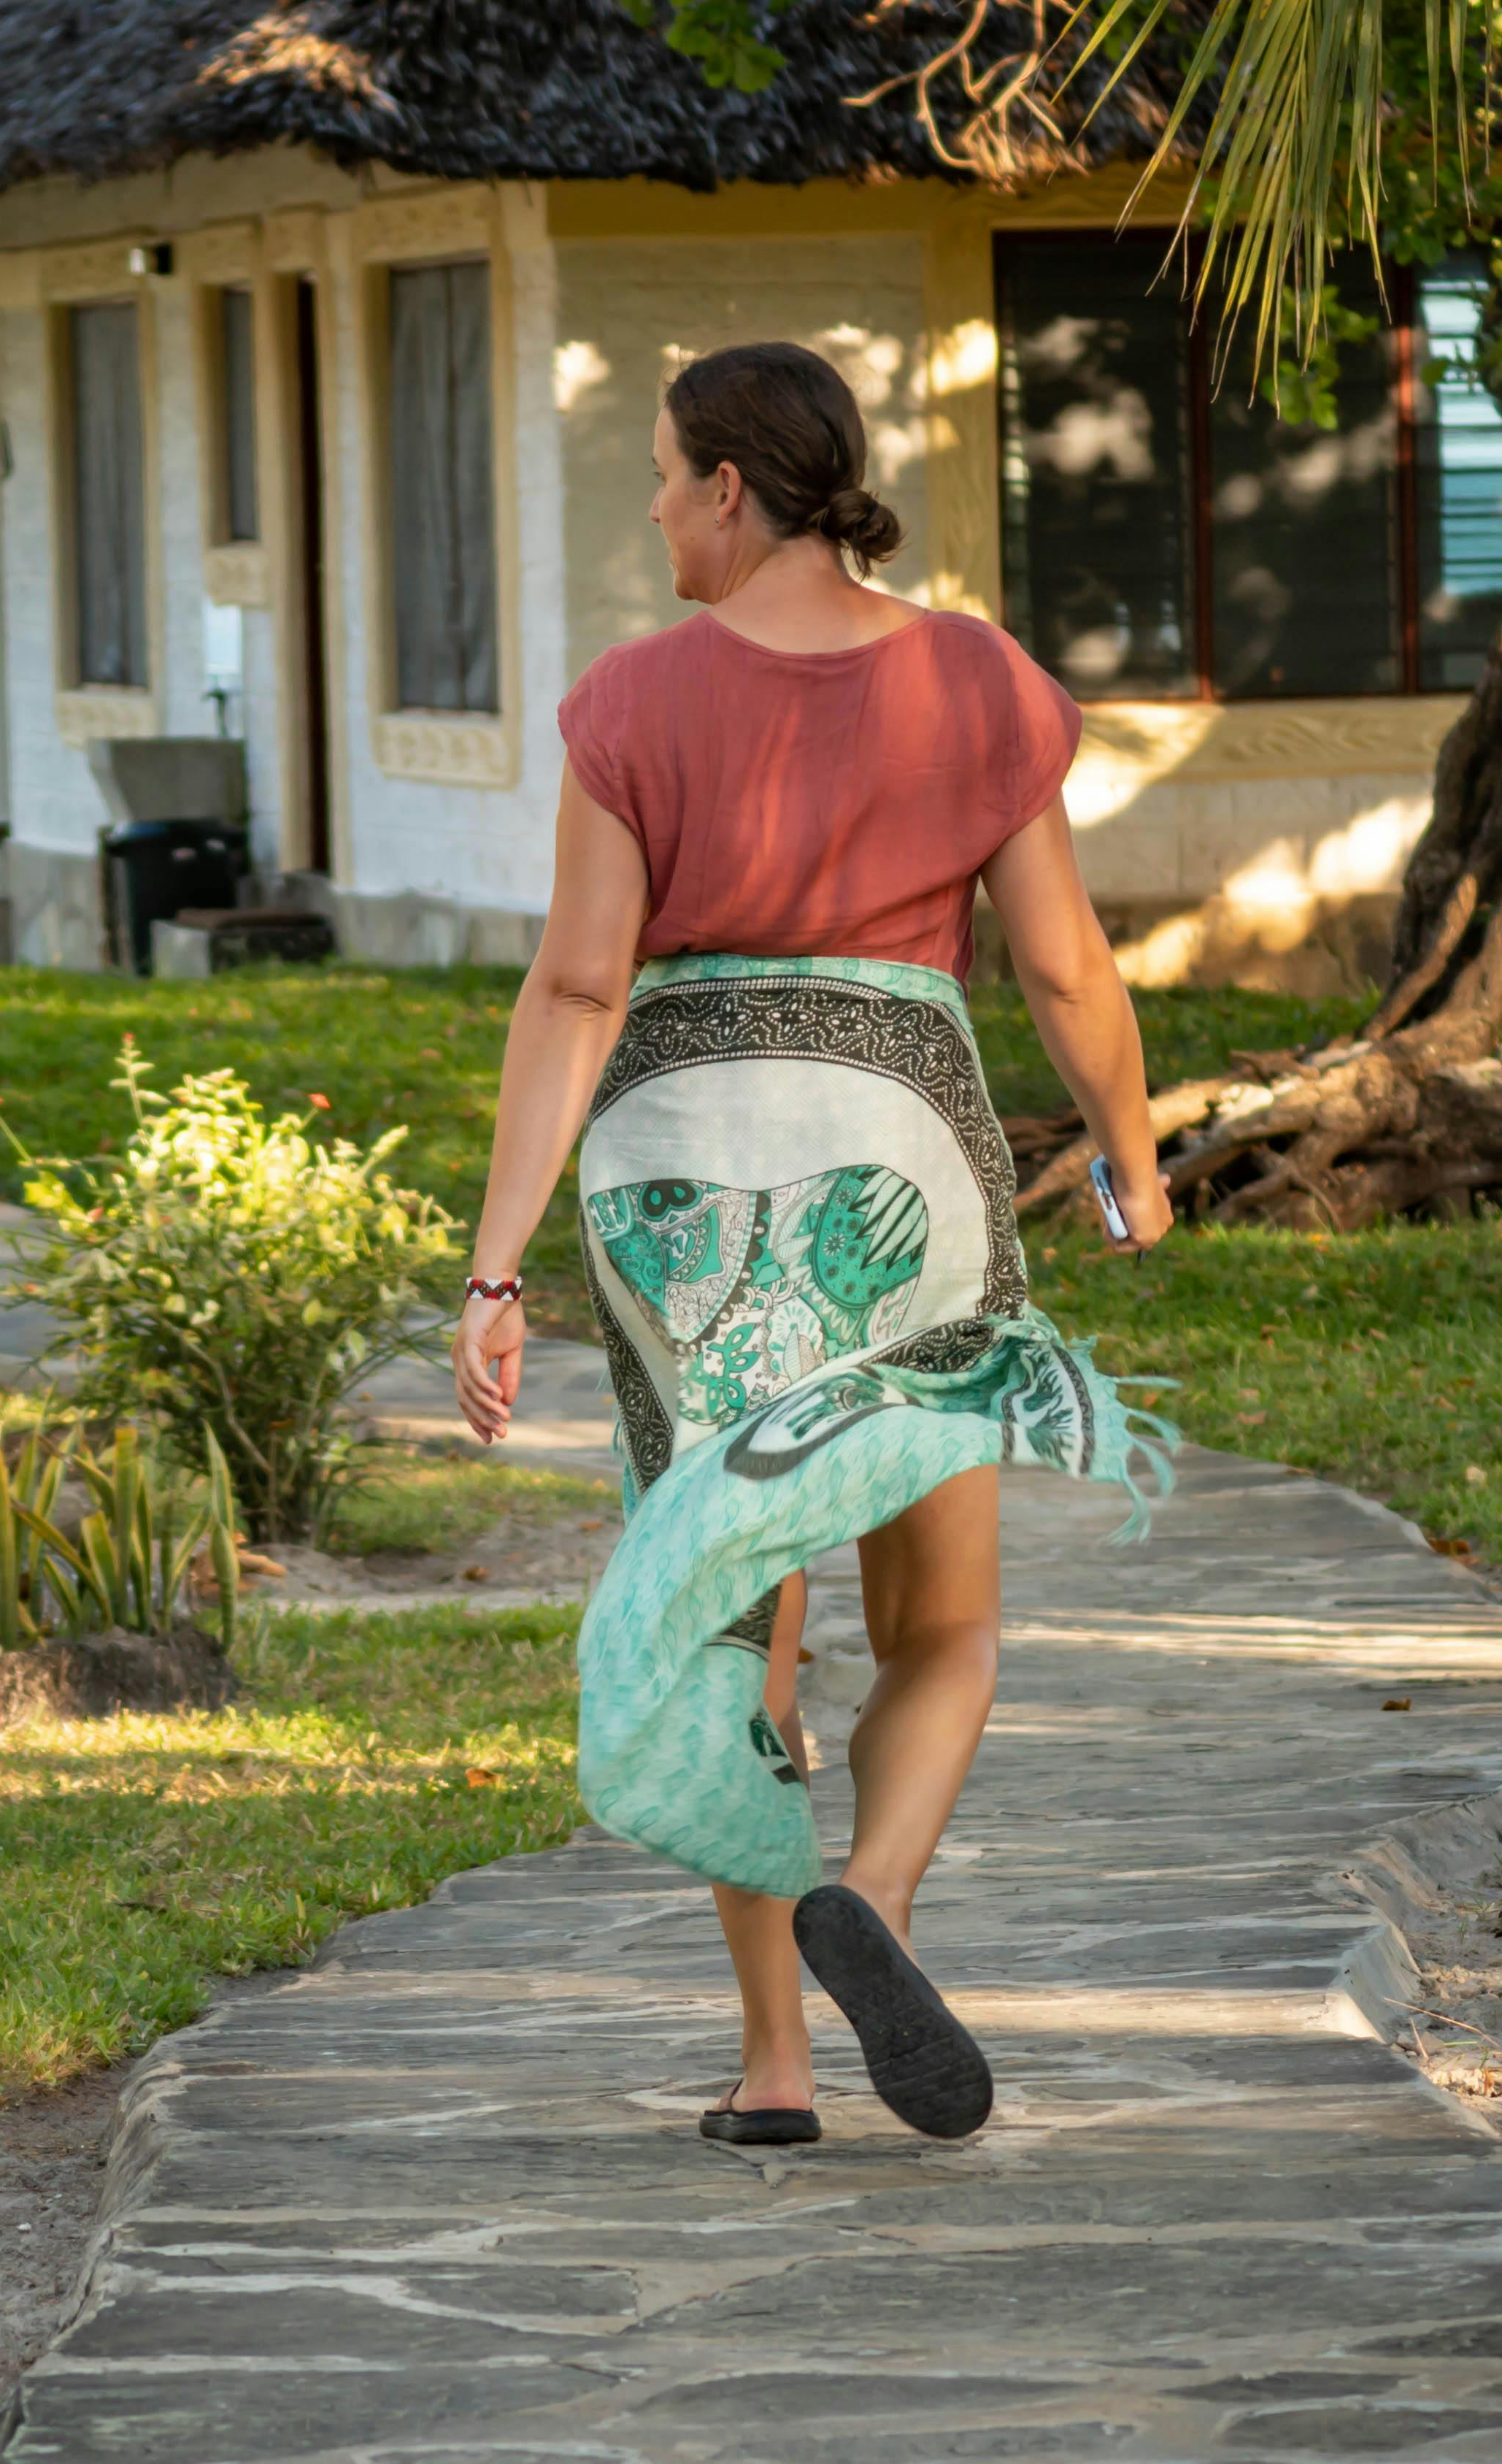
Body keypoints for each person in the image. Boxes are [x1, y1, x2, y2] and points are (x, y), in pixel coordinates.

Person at [452, 341, 1173, 2148]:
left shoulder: (632, 701)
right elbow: (1064, 964)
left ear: (729, 487)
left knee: (738, 1627)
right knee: (947, 1619)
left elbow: (579, 987)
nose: (651, 510)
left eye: (662, 474)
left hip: (681, 1188)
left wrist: (496, 1262)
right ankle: (882, 1894)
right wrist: (1132, 1161)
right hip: (900, 1158)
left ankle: (776, 2065)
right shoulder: (976, 679)